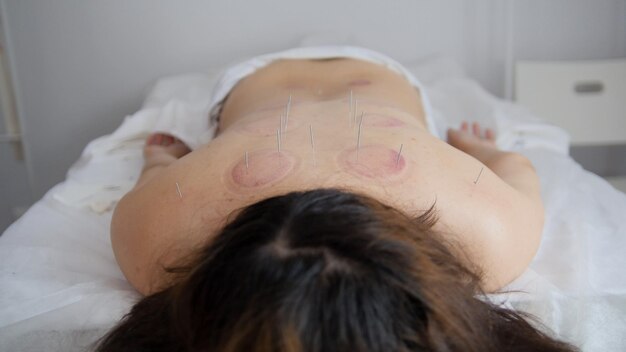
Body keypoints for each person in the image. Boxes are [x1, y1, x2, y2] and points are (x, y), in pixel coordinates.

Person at [95, 47, 578, 351]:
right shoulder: (486, 238)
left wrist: (480, 154)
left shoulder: (156, 243)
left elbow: (515, 170)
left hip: (274, 70)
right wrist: (482, 149)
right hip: (350, 68)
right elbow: (518, 166)